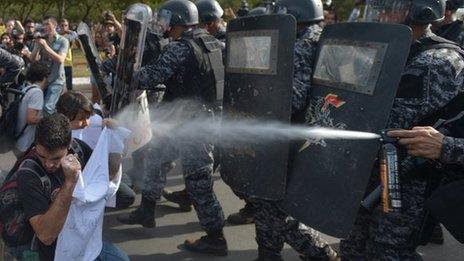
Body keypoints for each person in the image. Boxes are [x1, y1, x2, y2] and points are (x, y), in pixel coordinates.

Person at [339, 0, 464, 259]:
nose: (382, 13)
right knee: (353, 247)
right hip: (372, 173)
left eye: (391, 6)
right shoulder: (392, 50)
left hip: (406, 183)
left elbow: (385, 120)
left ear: (421, 10)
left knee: (388, 252)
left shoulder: (435, 61)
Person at [117, 0, 228, 256]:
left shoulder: (182, 47)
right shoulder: (208, 41)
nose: (164, 25)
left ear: (177, 21)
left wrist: (124, 68)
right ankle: (146, 210)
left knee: (198, 181)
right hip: (189, 119)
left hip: (195, 126)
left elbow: (149, 76)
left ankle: (216, 237)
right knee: (156, 158)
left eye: (167, 20)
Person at [247, 0, 339, 260]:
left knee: (273, 203)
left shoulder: (299, 46)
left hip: (287, 137)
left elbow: (292, 99)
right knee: (267, 200)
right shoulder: (323, 38)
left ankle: (321, 254)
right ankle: (268, 253)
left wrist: (258, 103)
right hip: (311, 134)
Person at [13, 114, 129, 261]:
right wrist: (69, 183)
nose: (48, 164)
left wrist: (115, 138)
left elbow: (108, 176)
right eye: (42, 156)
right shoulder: (29, 174)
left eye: (56, 158)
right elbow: (46, 235)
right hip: (53, 254)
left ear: (69, 145)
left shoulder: (78, 148)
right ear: (36, 145)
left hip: (85, 244)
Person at [56, 91, 136, 209]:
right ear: (66, 117)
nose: (86, 123)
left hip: (98, 173)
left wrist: (115, 129)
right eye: (81, 119)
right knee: (126, 196)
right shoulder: (59, 135)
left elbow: (121, 150)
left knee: (128, 189)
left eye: (88, 117)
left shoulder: (97, 121)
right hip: (76, 181)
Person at [30, 15, 69, 116]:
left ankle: (51, 129)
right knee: (37, 106)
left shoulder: (63, 41)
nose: (45, 27)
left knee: (48, 107)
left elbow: (61, 60)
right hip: (43, 80)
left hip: (56, 80)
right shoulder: (43, 39)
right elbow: (32, 59)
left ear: (55, 25)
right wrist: (37, 46)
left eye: (47, 24)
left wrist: (46, 47)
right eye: (43, 25)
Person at [14, 62, 49, 158]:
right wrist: (47, 119)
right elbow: (31, 119)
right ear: (44, 77)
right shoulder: (37, 93)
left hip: (19, 141)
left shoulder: (26, 89)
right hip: (27, 143)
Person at [59, 19, 78, 91]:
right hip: (60, 63)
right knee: (60, 84)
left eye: (66, 25)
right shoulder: (58, 36)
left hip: (68, 63)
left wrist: (68, 31)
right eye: (62, 25)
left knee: (69, 85)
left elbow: (75, 34)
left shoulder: (68, 37)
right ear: (59, 26)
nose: (64, 27)